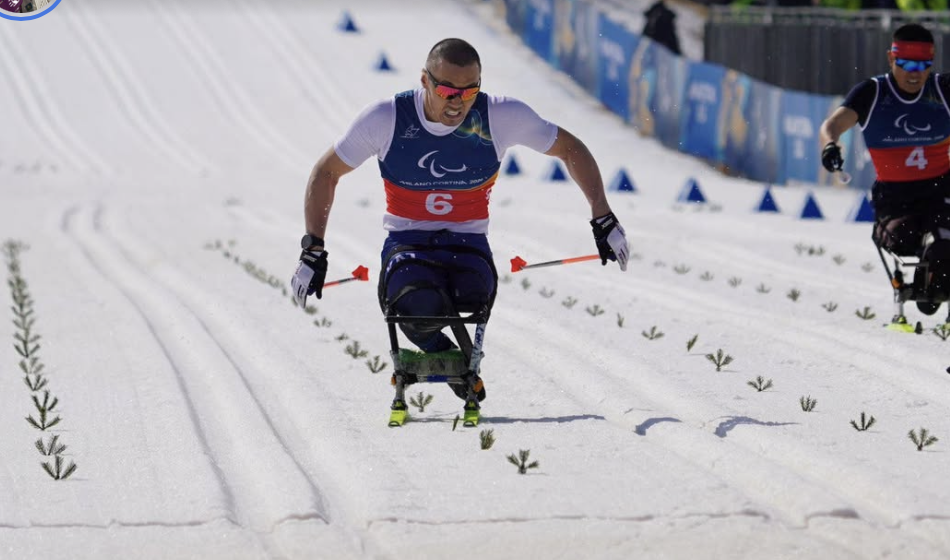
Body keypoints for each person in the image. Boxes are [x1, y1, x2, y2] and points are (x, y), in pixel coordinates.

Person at [291, 38, 629, 401]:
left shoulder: (500, 116)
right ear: (425, 81)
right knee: (414, 301)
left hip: (468, 243)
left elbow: (570, 148)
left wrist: (603, 216)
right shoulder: (386, 118)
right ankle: (450, 358)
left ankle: (457, 359)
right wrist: (313, 249)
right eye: (448, 90)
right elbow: (326, 172)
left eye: (470, 91)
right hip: (408, 241)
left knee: (473, 296)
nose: (458, 102)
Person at [819, 23, 950, 322]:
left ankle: (938, 274)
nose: (914, 72)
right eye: (905, 63)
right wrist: (830, 146)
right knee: (905, 242)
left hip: (942, 190)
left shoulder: (943, 90)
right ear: (891, 59)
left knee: (943, 248)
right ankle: (930, 279)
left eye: (922, 65)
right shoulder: (872, 93)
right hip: (895, 199)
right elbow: (832, 126)